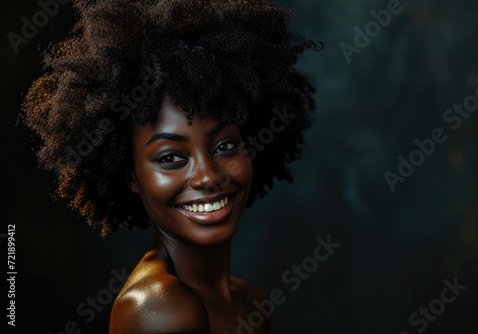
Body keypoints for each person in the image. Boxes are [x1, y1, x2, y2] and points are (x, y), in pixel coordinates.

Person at [22, 0, 318, 333]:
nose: (208, 176)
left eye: (224, 146)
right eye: (170, 158)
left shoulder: (249, 301)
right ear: (131, 174)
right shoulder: (160, 309)